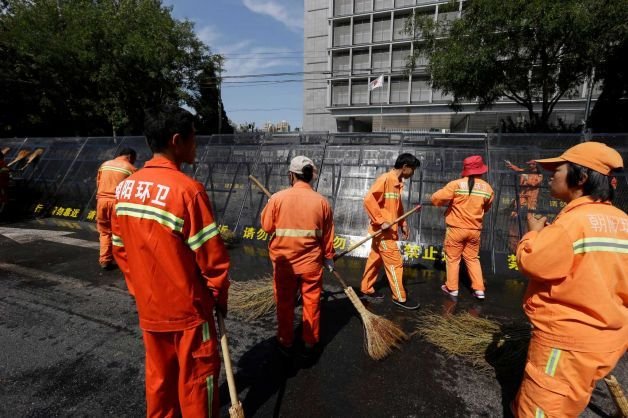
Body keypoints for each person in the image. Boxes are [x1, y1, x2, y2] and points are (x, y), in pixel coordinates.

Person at [111, 105, 230, 417]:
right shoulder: (188, 191)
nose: (196, 146)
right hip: (189, 313)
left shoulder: (124, 189)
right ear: (177, 140)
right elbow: (213, 262)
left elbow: (119, 246)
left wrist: (139, 288)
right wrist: (217, 299)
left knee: (160, 381)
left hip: (150, 309)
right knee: (196, 383)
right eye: (193, 139)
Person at [513, 142, 627, 418]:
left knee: (541, 408)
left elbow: (532, 262)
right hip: (608, 339)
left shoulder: (571, 224)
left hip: (564, 344)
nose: (552, 175)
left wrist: (532, 235)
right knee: (570, 399)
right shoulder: (623, 221)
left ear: (582, 178)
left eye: (559, 169)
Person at [260, 156, 335, 357]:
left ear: (291, 175)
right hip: (311, 264)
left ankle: (285, 341)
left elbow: (267, 227)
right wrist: (329, 257)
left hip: (285, 265)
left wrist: (269, 205)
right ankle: (310, 341)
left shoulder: (277, 198)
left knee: (285, 303)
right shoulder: (322, 202)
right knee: (311, 302)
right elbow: (328, 234)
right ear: (310, 176)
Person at [360, 153, 421, 310]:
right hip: (383, 232)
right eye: (412, 169)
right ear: (405, 167)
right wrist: (381, 221)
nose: (413, 173)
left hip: (385, 231)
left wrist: (403, 224)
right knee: (395, 263)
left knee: (375, 260)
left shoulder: (397, 182)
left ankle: (366, 288)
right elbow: (369, 200)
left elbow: (397, 207)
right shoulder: (386, 179)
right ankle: (399, 297)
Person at [432, 155, 494, 300]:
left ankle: (452, 288)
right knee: (472, 259)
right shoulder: (487, 188)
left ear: (465, 170)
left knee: (453, 259)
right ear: (481, 170)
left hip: (456, 229)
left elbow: (436, 198)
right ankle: (479, 290)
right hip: (475, 230)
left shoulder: (456, 184)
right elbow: (487, 207)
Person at [96, 147, 137, 269]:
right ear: (129, 156)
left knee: (104, 231)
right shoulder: (131, 168)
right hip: (118, 204)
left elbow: (98, 183)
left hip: (102, 202)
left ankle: (105, 260)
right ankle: (125, 261)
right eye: (134, 159)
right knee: (123, 232)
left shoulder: (104, 165)